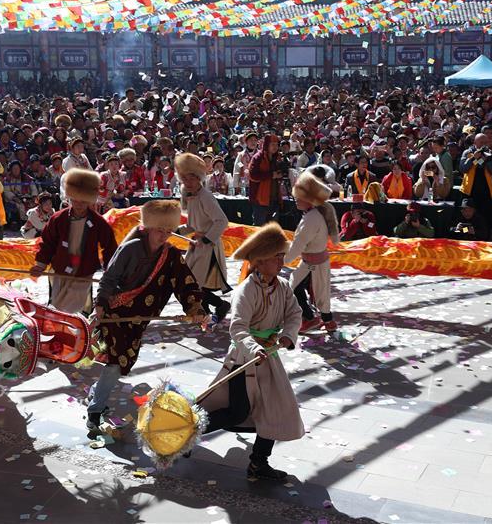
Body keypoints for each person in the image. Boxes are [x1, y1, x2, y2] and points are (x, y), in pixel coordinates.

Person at [89, 200, 208, 433]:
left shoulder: (171, 255)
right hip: (116, 313)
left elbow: (185, 282)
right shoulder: (130, 248)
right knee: (117, 361)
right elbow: (108, 279)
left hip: (139, 317)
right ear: (147, 228)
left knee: (123, 361)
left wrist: (195, 309)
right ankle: (95, 410)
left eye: (168, 231)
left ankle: (97, 391)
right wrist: (100, 307)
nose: (163, 236)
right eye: (159, 230)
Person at [198, 222, 303, 481]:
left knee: (273, 410)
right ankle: (188, 431)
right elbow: (238, 328)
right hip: (244, 359)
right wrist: (255, 347)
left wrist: (288, 335)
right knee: (237, 411)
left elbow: (295, 313)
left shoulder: (284, 285)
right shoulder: (246, 290)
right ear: (260, 260)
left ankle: (258, 464)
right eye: (277, 256)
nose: (282, 261)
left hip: (269, 358)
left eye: (282, 256)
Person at [30, 169, 117, 313]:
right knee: (57, 307)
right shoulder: (58, 219)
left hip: (84, 272)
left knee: (77, 308)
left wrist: (111, 273)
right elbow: (47, 243)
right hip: (60, 269)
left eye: (83, 200)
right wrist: (40, 265)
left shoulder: (98, 222)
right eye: (74, 199)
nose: (78, 204)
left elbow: (110, 247)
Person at [175, 153, 232, 323]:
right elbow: (193, 225)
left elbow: (222, 221)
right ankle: (205, 313)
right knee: (191, 282)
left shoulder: (206, 196)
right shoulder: (191, 196)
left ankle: (220, 305)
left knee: (194, 283)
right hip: (197, 245)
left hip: (208, 247)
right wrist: (176, 230)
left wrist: (207, 239)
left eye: (191, 178)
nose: (187, 182)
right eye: (184, 178)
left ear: (198, 178)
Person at [286, 170, 339, 334]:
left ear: (309, 200)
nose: (295, 199)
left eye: (299, 196)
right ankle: (326, 321)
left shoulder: (311, 218)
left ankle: (310, 318)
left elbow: (298, 245)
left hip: (313, 263)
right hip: (313, 261)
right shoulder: (313, 214)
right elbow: (299, 243)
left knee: (295, 288)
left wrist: (282, 260)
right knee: (317, 292)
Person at [460, 134, 492, 239]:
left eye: (485, 143)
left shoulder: (491, 154)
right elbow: (463, 168)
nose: (484, 145)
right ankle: (468, 235)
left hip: (486, 192)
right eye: (481, 142)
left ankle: (486, 236)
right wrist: (474, 157)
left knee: (486, 217)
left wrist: (486, 160)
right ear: (475, 143)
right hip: (470, 192)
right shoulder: (468, 153)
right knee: (470, 217)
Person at [248, 134, 281, 226]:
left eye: (276, 144)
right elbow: (253, 176)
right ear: (267, 145)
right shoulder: (258, 158)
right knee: (259, 228)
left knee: (271, 229)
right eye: (272, 144)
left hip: (274, 199)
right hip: (260, 200)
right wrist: (271, 175)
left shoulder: (277, 158)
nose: (275, 147)